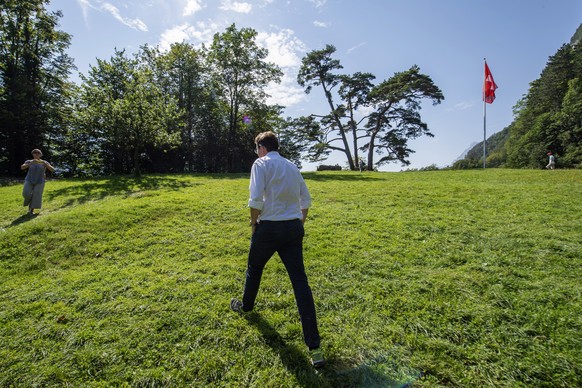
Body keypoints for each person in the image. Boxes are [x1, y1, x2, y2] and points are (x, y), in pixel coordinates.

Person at [230, 131, 325, 368]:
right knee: (300, 283)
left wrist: (254, 225)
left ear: (261, 147)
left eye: (256, 149)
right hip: (293, 228)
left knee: (255, 267)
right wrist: (298, 224)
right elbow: (306, 201)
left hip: (269, 228)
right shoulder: (292, 166)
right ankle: (315, 348)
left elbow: (255, 201)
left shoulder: (260, 164)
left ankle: (247, 306)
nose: (256, 153)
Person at [21, 149, 54, 215]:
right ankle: (29, 201)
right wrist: (31, 163)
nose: (36, 154)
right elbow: (22, 167)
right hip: (29, 180)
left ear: (40, 154)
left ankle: (31, 210)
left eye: (38, 153)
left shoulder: (44, 162)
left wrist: (46, 164)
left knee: (36, 195)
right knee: (26, 193)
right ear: (33, 154)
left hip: (40, 181)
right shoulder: (29, 161)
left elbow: (52, 169)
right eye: (35, 153)